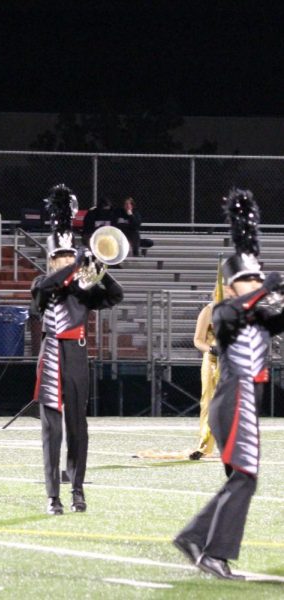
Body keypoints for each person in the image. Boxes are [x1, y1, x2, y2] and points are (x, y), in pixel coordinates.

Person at [174, 188, 283, 580]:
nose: (254, 284)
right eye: (248, 279)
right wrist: (267, 288)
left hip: (246, 400)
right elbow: (235, 312)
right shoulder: (225, 311)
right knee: (245, 476)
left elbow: (274, 316)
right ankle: (212, 552)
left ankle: (195, 538)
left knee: (243, 477)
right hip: (233, 398)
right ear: (234, 283)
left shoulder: (258, 316)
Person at [30, 184, 123, 516]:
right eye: (61, 257)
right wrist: (76, 263)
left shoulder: (83, 292)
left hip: (77, 356)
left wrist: (100, 270)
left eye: (70, 257)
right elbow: (44, 288)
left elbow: (116, 296)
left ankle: (78, 490)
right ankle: (53, 495)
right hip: (52, 354)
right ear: (52, 260)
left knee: (77, 426)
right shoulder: (43, 285)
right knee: (51, 429)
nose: (68, 261)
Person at [189, 270, 229, 461]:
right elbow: (197, 339)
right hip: (213, 361)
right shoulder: (208, 310)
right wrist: (211, 349)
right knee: (209, 402)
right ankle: (205, 446)